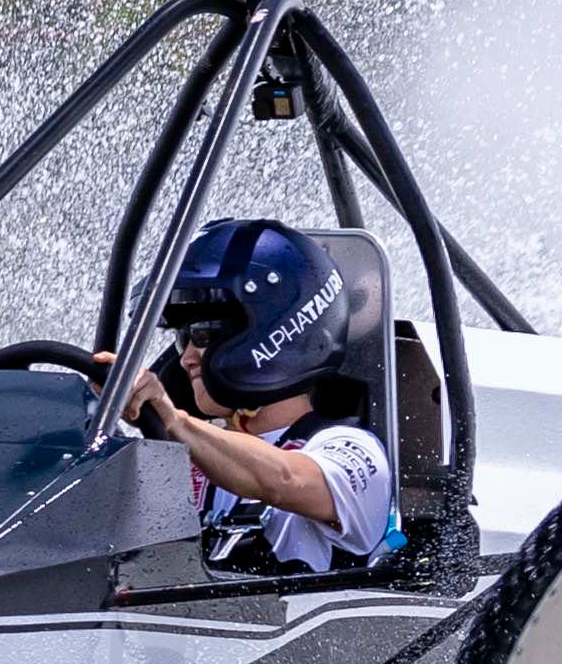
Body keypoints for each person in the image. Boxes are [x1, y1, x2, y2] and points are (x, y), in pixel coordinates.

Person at [116, 215, 398, 575]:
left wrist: (175, 421)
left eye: (203, 334)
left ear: (276, 332)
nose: (186, 358)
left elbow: (285, 480)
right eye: (181, 338)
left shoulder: (349, 448)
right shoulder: (185, 458)